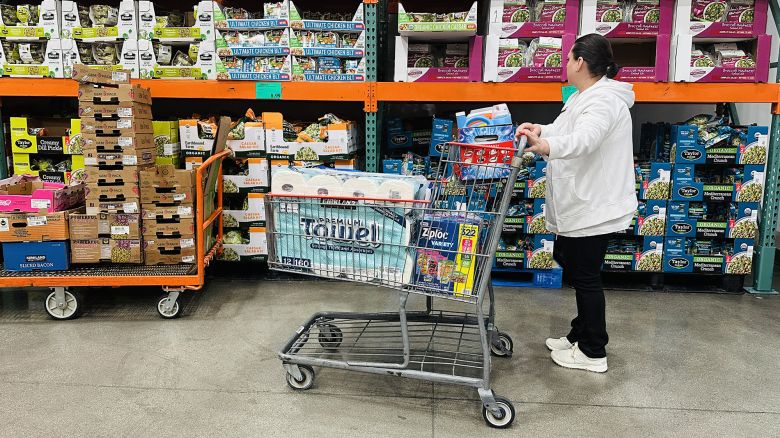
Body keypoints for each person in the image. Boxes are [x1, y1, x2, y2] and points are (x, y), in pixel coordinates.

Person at [516, 34, 638, 373]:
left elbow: (586, 138)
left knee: (585, 276)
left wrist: (544, 147)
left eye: (568, 59)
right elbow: (567, 127)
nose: (565, 65)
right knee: (568, 259)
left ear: (580, 62)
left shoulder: (603, 101)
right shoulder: (587, 96)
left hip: (594, 205)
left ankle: (593, 351)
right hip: (582, 203)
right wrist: (542, 129)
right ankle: (579, 332)